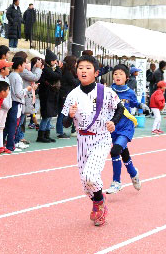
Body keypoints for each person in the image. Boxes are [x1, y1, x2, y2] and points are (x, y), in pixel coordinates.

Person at [61, 55, 123, 226]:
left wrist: (113, 122)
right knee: (86, 185)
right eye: (80, 67)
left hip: (101, 138)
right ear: (76, 71)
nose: (83, 71)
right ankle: (98, 197)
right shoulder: (72, 95)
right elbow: (65, 123)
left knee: (91, 176)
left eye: (88, 68)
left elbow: (120, 109)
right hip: (82, 141)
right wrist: (70, 115)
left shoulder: (106, 91)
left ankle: (100, 204)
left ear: (96, 73)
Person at [106, 64, 146, 195]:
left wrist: (142, 105)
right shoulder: (108, 91)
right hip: (113, 127)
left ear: (127, 77)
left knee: (115, 151)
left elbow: (135, 103)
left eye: (121, 74)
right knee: (124, 153)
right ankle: (134, 174)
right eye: (115, 73)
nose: (118, 76)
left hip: (126, 127)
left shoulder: (130, 92)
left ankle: (116, 182)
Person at [5, 56, 33, 151]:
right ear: (20, 65)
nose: (25, 66)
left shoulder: (12, 75)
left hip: (13, 102)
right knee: (14, 125)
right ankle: (11, 145)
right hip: (16, 103)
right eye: (24, 64)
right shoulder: (16, 77)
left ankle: (10, 144)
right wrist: (27, 89)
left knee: (10, 125)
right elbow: (18, 93)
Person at [37, 49, 62, 143]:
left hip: (50, 95)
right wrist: (59, 68)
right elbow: (56, 76)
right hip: (46, 95)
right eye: (54, 60)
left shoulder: (48, 69)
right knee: (46, 116)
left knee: (50, 115)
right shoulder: (47, 69)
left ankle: (46, 135)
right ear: (51, 61)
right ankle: (41, 135)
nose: (56, 62)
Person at [57, 55, 78, 139]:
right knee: (62, 113)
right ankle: (60, 132)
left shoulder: (68, 71)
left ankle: (66, 130)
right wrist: (80, 78)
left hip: (66, 94)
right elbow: (74, 82)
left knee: (65, 113)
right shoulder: (67, 72)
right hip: (64, 95)